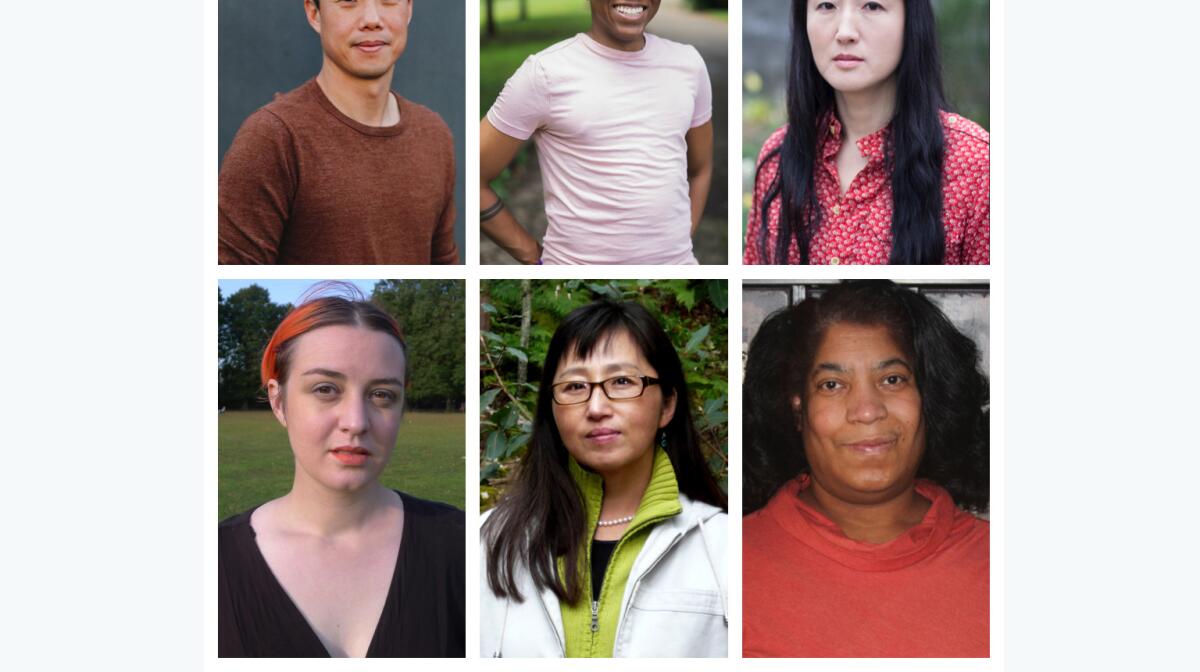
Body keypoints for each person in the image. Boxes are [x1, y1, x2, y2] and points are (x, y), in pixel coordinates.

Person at [742, 280, 989, 657]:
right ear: (797, 407)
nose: (867, 410)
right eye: (832, 384)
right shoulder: (725, 563)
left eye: (892, 380)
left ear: (930, 397)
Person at [218, 288, 464, 657]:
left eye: (381, 395)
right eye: (326, 389)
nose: (356, 422)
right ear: (278, 400)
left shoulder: (463, 546)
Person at [480, 300, 728, 656]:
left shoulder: (723, 548)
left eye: (623, 381)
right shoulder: (488, 543)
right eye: (575, 387)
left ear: (667, 404)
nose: (596, 408)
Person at [744, 0, 989, 265]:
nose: (845, 31)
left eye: (871, 6)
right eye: (827, 6)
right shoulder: (779, 158)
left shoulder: (974, 165)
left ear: (910, 20)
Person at [219, 0, 458, 265]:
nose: (372, 18)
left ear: (408, 7)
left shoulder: (434, 134)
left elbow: (446, 265)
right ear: (314, 13)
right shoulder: (273, 138)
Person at [480, 0, 714, 265]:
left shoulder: (688, 64)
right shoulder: (545, 73)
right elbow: (470, 176)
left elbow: (700, 168)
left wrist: (681, 244)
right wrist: (530, 254)